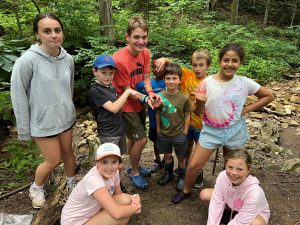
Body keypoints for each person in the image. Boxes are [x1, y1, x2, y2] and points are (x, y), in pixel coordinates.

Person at [171, 43, 274, 204]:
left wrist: (246, 109)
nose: (230, 64)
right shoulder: (207, 83)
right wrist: (200, 103)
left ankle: (231, 196)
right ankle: (186, 190)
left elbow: (268, 96)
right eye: (226, 60)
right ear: (220, 61)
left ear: (240, 63)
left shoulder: (244, 82)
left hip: (234, 131)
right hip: (211, 131)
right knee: (193, 165)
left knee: (232, 167)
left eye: (235, 61)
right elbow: (198, 113)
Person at [10, 13, 76, 209]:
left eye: (57, 30)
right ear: (37, 34)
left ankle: (72, 186)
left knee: (68, 154)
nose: (54, 35)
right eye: (47, 31)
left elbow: (68, 88)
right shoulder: (27, 61)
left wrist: (69, 107)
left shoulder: (68, 59)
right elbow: (18, 96)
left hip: (65, 118)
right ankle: (36, 187)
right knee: (53, 160)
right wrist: (24, 129)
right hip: (42, 122)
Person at [112, 16, 163, 189]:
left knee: (134, 139)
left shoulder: (146, 53)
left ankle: (134, 165)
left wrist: (150, 93)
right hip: (126, 103)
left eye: (144, 37)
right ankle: (134, 171)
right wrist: (146, 98)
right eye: (136, 37)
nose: (141, 41)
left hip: (140, 101)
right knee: (141, 140)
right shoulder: (119, 60)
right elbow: (127, 90)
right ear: (127, 37)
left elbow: (146, 77)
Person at [88, 54, 144, 193]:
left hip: (119, 131)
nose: (108, 76)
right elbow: (113, 108)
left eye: (111, 73)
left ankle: (116, 185)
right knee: (109, 164)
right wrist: (128, 92)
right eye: (103, 73)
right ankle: (108, 190)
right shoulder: (95, 91)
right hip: (108, 134)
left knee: (117, 162)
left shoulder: (110, 88)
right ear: (95, 71)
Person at [61, 143, 142, 225]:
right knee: (120, 218)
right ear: (97, 162)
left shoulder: (115, 172)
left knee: (126, 201)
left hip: (90, 214)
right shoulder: (94, 180)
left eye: (114, 162)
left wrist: (135, 197)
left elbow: (118, 195)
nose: (110, 167)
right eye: (104, 162)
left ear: (119, 163)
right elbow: (117, 214)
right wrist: (134, 207)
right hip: (74, 222)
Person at [199, 150, 270, 225]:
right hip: (232, 204)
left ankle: (231, 217)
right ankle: (228, 215)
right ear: (225, 165)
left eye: (239, 169)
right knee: (205, 194)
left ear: (248, 170)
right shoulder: (222, 176)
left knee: (256, 223)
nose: (233, 173)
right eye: (230, 167)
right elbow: (216, 203)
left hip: (254, 213)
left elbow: (240, 222)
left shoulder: (254, 192)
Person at [156, 63, 192, 191]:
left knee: (181, 157)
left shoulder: (184, 97)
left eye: (174, 78)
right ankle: (168, 174)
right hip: (164, 134)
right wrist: (159, 130)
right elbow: (158, 113)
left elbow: (187, 115)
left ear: (179, 80)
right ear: (164, 79)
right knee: (167, 156)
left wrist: (185, 132)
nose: (171, 81)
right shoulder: (160, 96)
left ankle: (182, 178)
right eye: (168, 78)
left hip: (179, 134)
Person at [179, 49, 211, 188]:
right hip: (185, 122)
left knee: (199, 152)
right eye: (194, 65)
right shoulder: (187, 74)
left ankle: (198, 171)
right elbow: (171, 66)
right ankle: (184, 167)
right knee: (186, 147)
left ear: (208, 66)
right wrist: (164, 60)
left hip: (202, 124)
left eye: (201, 65)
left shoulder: (211, 82)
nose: (197, 68)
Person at [136, 53, 166, 173]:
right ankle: (157, 159)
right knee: (155, 141)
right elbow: (136, 91)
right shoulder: (146, 84)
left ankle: (167, 160)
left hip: (168, 120)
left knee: (167, 141)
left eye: (159, 66)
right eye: (153, 66)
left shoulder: (170, 81)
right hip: (153, 120)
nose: (156, 69)